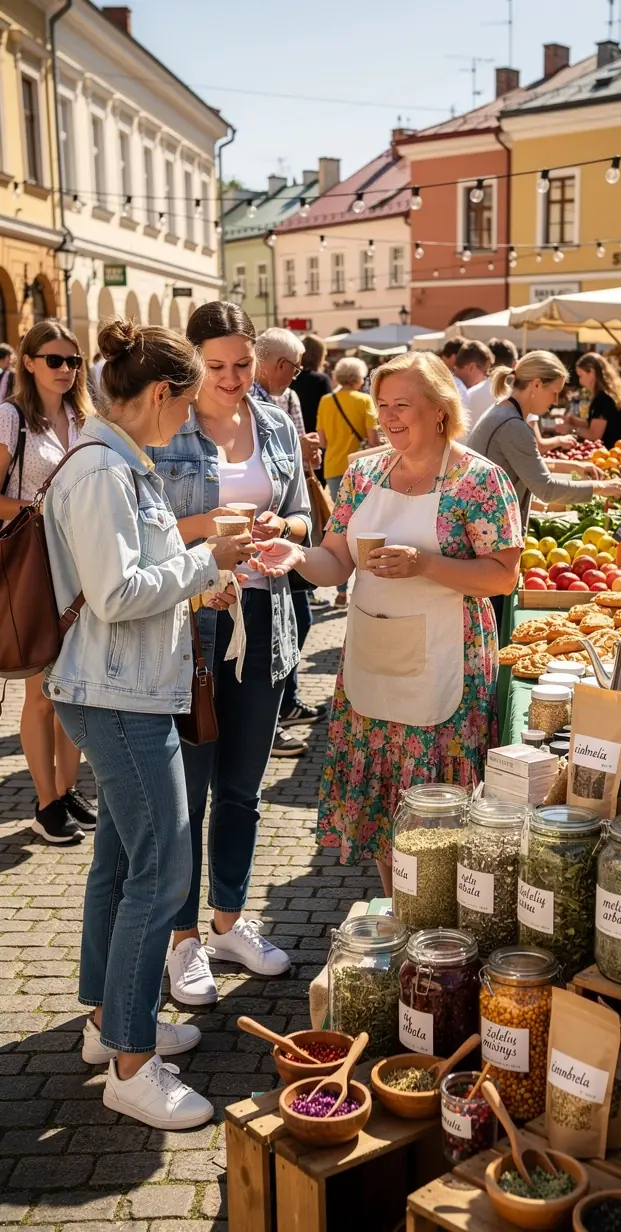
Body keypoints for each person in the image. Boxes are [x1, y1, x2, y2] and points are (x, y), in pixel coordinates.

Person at [44, 319, 250, 1128]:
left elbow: (132, 583)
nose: (186, 423)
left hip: (123, 687)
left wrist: (200, 584)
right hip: (118, 696)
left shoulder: (115, 461)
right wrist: (209, 564)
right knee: (161, 872)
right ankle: (133, 1066)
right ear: (160, 395)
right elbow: (117, 592)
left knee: (123, 863)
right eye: (185, 405)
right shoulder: (103, 470)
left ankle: (108, 1025)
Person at [250, 351, 523, 892]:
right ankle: (400, 910)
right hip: (374, 657)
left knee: (437, 809)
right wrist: (297, 555)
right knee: (383, 809)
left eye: (404, 405)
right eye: (383, 405)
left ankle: (442, 919)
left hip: (451, 661)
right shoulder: (363, 472)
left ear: (441, 410)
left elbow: (502, 578)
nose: (389, 416)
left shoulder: (479, 481)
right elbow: (335, 564)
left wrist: (425, 564)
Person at [149, 301, 310, 1007]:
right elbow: (146, 530)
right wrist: (213, 526)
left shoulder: (275, 417)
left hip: (265, 614)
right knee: (186, 794)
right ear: (193, 362)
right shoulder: (166, 426)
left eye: (242, 364)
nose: (234, 378)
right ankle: (182, 941)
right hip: (192, 624)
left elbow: (306, 510)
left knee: (242, 788)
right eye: (217, 366)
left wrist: (285, 525)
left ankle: (229, 922)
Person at [0, 321, 97, 844]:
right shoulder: (11, 418)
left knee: (74, 689)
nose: (66, 370)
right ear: (29, 362)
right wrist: (42, 508)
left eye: (73, 361)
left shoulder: (85, 418)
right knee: (41, 695)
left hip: (82, 567)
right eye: (54, 360)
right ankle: (44, 803)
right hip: (36, 569)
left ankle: (66, 789)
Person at [467, 351, 621, 627]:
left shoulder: (503, 411)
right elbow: (546, 489)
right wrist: (601, 488)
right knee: (488, 625)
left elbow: (525, 461)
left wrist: (576, 468)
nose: (555, 401)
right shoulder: (513, 425)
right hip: (489, 540)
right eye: (554, 392)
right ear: (535, 385)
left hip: (484, 534)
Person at [251, 327, 326, 754]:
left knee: (298, 620)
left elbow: (297, 501)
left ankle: (283, 706)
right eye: (293, 369)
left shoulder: (288, 401)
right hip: (246, 560)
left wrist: (306, 454)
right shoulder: (245, 405)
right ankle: (275, 714)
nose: (295, 377)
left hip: (282, 538)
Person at [316, 356, 379, 608]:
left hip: (332, 467)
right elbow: (374, 441)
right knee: (363, 528)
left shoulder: (326, 400)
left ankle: (340, 592)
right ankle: (365, 584)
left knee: (339, 529)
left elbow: (322, 440)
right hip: (360, 470)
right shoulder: (364, 400)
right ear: (358, 378)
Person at [567, 353, 621, 449]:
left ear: (591, 373)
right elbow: (595, 424)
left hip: (608, 454)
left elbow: (594, 434)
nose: (580, 381)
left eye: (581, 375)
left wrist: (570, 429)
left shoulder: (603, 398)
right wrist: (575, 422)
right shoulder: (605, 395)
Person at [291, 333, 332, 436]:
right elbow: (328, 410)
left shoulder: (290, 377)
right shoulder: (320, 380)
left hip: (292, 434)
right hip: (316, 435)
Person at [453, 340, 492, 427]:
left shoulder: (447, 383)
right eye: (484, 372)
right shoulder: (461, 392)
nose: (484, 378)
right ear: (472, 367)